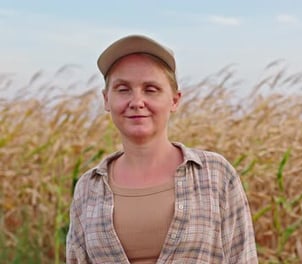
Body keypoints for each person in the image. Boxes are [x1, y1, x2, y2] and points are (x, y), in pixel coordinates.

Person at [66, 34, 258, 263]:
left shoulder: (215, 174)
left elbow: (243, 258)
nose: (137, 102)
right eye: (123, 89)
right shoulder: (89, 188)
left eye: (151, 89)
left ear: (175, 100)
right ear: (107, 99)